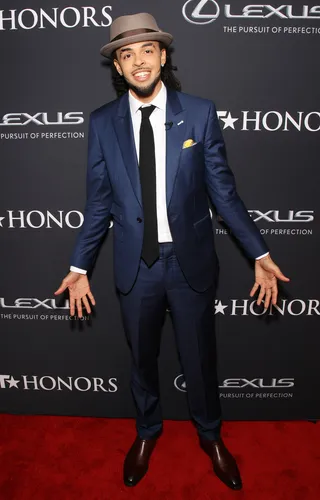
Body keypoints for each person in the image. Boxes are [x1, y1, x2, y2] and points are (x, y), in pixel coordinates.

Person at [55, 13, 290, 490]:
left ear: (162, 57)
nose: (138, 61)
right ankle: (147, 432)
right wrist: (79, 265)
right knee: (141, 359)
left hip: (190, 265)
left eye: (147, 51)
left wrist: (259, 254)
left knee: (199, 359)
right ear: (118, 69)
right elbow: (98, 202)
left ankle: (211, 436)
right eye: (127, 54)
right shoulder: (102, 123)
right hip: (134, 268)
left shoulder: (200, 113)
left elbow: (223, 193)